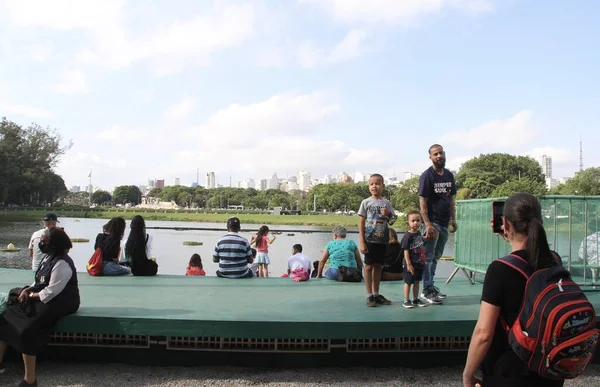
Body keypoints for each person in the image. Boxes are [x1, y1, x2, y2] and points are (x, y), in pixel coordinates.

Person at [463, 192, 564, 387]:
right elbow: (529, 255)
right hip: (548, 367)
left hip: (510, 371)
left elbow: (484, 333)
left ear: (506, 225)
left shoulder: (499, 270)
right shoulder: (554, 260)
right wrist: (510, 235)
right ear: (540, 222)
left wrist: (468, 374)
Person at [0, 228, 80, 387]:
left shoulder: (62, 263)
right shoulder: (47, 258)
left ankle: (30, 380)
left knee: (27, 329)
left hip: (60, 302)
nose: (41, 244)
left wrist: (30, 296)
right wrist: (28, 289)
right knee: (4, 319)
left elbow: (50, 292)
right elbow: (38, 282)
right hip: (42, 297)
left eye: (44, 241)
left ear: (54, 243)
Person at [419, 144, 456, 304]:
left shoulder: (448, 175)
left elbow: (451, 200)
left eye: (440, 153)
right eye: (435, 154)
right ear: (431, 157)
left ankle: (431, 286)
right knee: (427, 257)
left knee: (436, 257)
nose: (439, 156)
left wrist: (453, 219)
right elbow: (423, 203)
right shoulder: (427, 176)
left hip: (444, 222)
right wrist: (427, 224)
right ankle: (426, 290)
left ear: (444, 154)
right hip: (432, 223)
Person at [358, 173, 397, 307]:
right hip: (369, 239)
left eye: (377, 183)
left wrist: (389, 214)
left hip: (382, 240)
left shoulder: (386, 203)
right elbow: (361, 222)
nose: (374, 186)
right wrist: (362, 241)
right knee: (368, 266)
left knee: (378, 266)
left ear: (383, 186)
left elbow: (392, 220)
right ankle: (369, 295)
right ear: (369, 186)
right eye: (371, 184)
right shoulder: (366, 202)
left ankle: (376, 293)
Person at [400, 211, 431, 308]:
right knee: (408, 282)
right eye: (413, 221)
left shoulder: (418, 233)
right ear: (408, 223)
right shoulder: (407, 236)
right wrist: (408, 264)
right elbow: (405, 251)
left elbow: (420, 241)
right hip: (411, 263)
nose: (415, 223)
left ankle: (415, 298)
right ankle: (406, 299)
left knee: (417, 281)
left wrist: (427, 237)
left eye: (418, 220)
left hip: (419, 263)